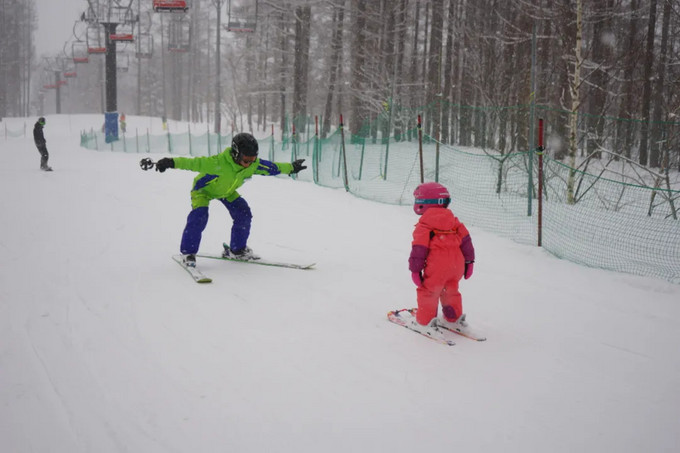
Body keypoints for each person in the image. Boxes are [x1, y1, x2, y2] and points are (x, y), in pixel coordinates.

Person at [152, 132, 307, 267]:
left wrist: (291, 168)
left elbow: (272, 168)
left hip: (227, 192)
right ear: (235, 154)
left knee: (244, 213)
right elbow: (192, 163)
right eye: (246, 159)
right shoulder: (217, 163)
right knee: (199, 217)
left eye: (253, 159)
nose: (250, 164)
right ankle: (188, 253)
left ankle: (237, 250)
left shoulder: (252, 165)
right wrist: (170, 162)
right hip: (203, 191)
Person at [408, 182, 475, 329]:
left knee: (429, 292)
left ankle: (425, 322)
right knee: (451, 290)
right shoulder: (454, 222)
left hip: (437, 268)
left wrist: (415, 270)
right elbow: (467, 242)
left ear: (422, 203)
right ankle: (454, 317)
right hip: (456, 267)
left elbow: (419, 250)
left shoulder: (424, 225)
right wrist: (469, 262)